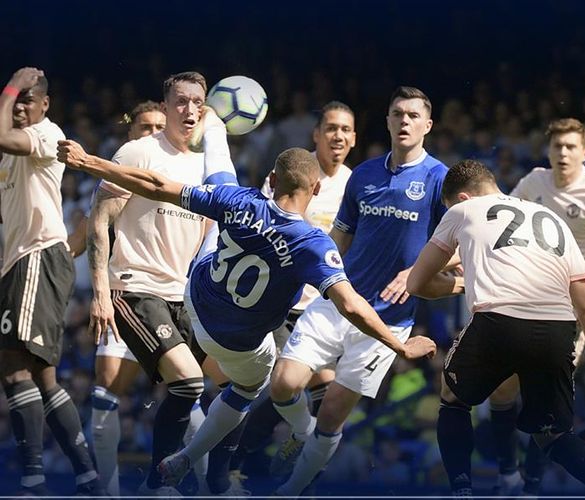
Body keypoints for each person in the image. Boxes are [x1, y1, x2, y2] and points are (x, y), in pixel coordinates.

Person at [56, 141, 437, 490]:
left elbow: (155, 184)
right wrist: (399, 347)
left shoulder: (241, 200)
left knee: (217, 202)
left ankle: (216, 130)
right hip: (239, 342)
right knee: (249, 386)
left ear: (272, 180)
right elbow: (351, 304)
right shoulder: (312, 244)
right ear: (316, 190)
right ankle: (188, 459)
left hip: (195, 306)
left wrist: (90, 162)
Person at [269, 86, 453, 496]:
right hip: (338, 301)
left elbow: (458, 247)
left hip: (388, 320)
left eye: (412, 115)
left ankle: (290, 491)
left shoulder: (440, 179)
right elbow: (340, 238)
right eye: (396, 114)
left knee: (332, 414)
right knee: (283, 383)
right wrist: (309, 272)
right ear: (387, 121)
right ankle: (300, 433)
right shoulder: (364, 175)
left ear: (427, 124)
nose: (404, 121)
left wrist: (415, 272)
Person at [406, 159, 585, 497]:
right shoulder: (553, 219)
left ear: (462, 198)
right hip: (557, 331)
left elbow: (417, 282)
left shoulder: (463, 212)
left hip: (498, 322)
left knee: (453, 399)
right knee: (552, 433)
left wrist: (463, 284)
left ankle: (462, 491)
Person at [83, 71, 221, 495]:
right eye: (180, 101)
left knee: (200, 389)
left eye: (197, 102)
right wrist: (102, 293)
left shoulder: (205, 168)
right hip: (134, 287)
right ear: (165, 107)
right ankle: (157, 481)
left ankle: (194, 481)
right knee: (188, 382)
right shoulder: (139, 151)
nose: (189, 109)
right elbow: (100, 220)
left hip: (181, 296)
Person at [490, 117, 585, 494]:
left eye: (571, 146)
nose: (563, 153)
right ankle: (507, 471)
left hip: (570, 310)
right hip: (523, 298)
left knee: (546, 404)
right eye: (557, 146)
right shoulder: (532, 183)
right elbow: (502, 227)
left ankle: (531, 487)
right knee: (502, 389)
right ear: (548, 150)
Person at [229, 100, 357, 476]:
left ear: (353, 138)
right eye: (331, 127)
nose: (338, 135)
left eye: (345, 129)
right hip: (284, 303)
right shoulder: (290, 173)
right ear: (316, 135)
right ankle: (239, 464)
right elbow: (263, 223)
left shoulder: (356, 185)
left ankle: (278, 473)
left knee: (323, 397)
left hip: (327, 307)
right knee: (285, 384)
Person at [0, 67, 102, 495]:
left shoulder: (45, 133)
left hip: (38, 259)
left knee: (12, 369)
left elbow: (4, 136)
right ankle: (88, 476)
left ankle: (34, 479)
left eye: (29, 98)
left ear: (45, 105)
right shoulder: (11, 153)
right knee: (43, 377)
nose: (21, 105)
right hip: (21, 263)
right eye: (17, 99)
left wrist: (6, 88)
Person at [66, 101, 166, 257]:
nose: (154, 133)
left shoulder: (191, 167)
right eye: (146, 127)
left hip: (184, 276)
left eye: (160, 128)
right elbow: (82, 237)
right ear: (131, 134)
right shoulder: (116, 178)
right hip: (133, 275)